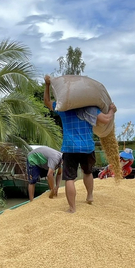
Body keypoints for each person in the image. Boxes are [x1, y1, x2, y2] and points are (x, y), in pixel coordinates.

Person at [44, 75, 117, 213]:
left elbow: (47, 101)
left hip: (69, 148)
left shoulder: (63, 109)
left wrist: (47, 85)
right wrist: (112, 109)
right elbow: (106, 119)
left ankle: (72, 208)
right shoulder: (90, 110)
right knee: (88, 172)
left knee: (69, 178)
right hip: (87, 147)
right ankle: (89, 196)